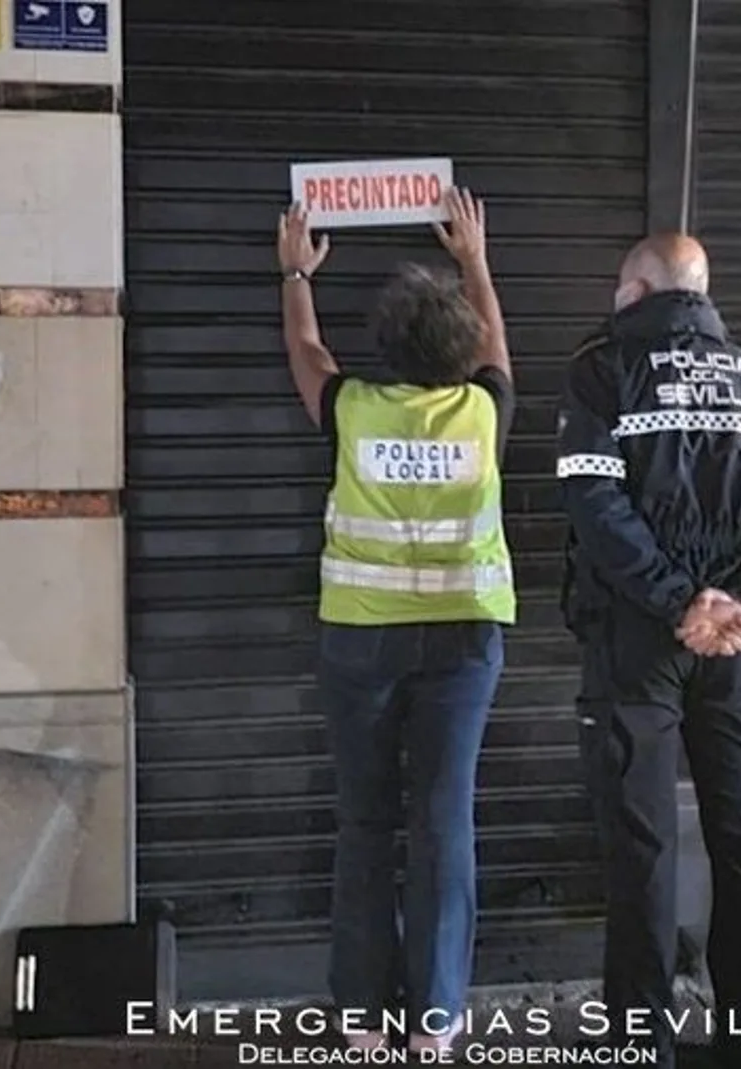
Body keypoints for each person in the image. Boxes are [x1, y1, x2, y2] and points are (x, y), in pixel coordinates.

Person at [556, 233, 741, 1069]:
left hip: (639, 640)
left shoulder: (603, 371)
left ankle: (639, 1041)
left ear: (640, 289)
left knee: (642, 843)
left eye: (620, 284)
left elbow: (595, 506)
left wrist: (681, 600)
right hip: (740, 645)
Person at [276, 188, 517, 1054]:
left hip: (360, 640)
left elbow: (305, 351)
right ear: (459, 350)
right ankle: (440, 1019)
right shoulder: (485, 413)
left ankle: (361, 1017)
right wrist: (475, 260)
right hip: (463, 643)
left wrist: (296, 270)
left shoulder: (352, 411)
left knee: (366, 820)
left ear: (385, 345)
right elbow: (496, 346)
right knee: (445, 821)